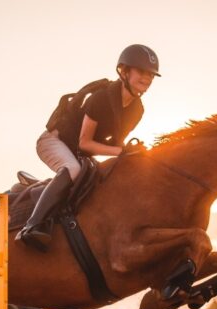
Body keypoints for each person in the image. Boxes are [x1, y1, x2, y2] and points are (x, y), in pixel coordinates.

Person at [16, 44, 160, 251]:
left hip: (79, 152)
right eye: (142, 72)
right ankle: (32, 225)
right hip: (54, 142)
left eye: (151, 75)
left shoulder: (137, 110)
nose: (147, 78)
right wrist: (122, 152)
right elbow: (85, 143)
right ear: (125, 71)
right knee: (73, 170)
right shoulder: (101, 98)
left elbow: (115, 145)